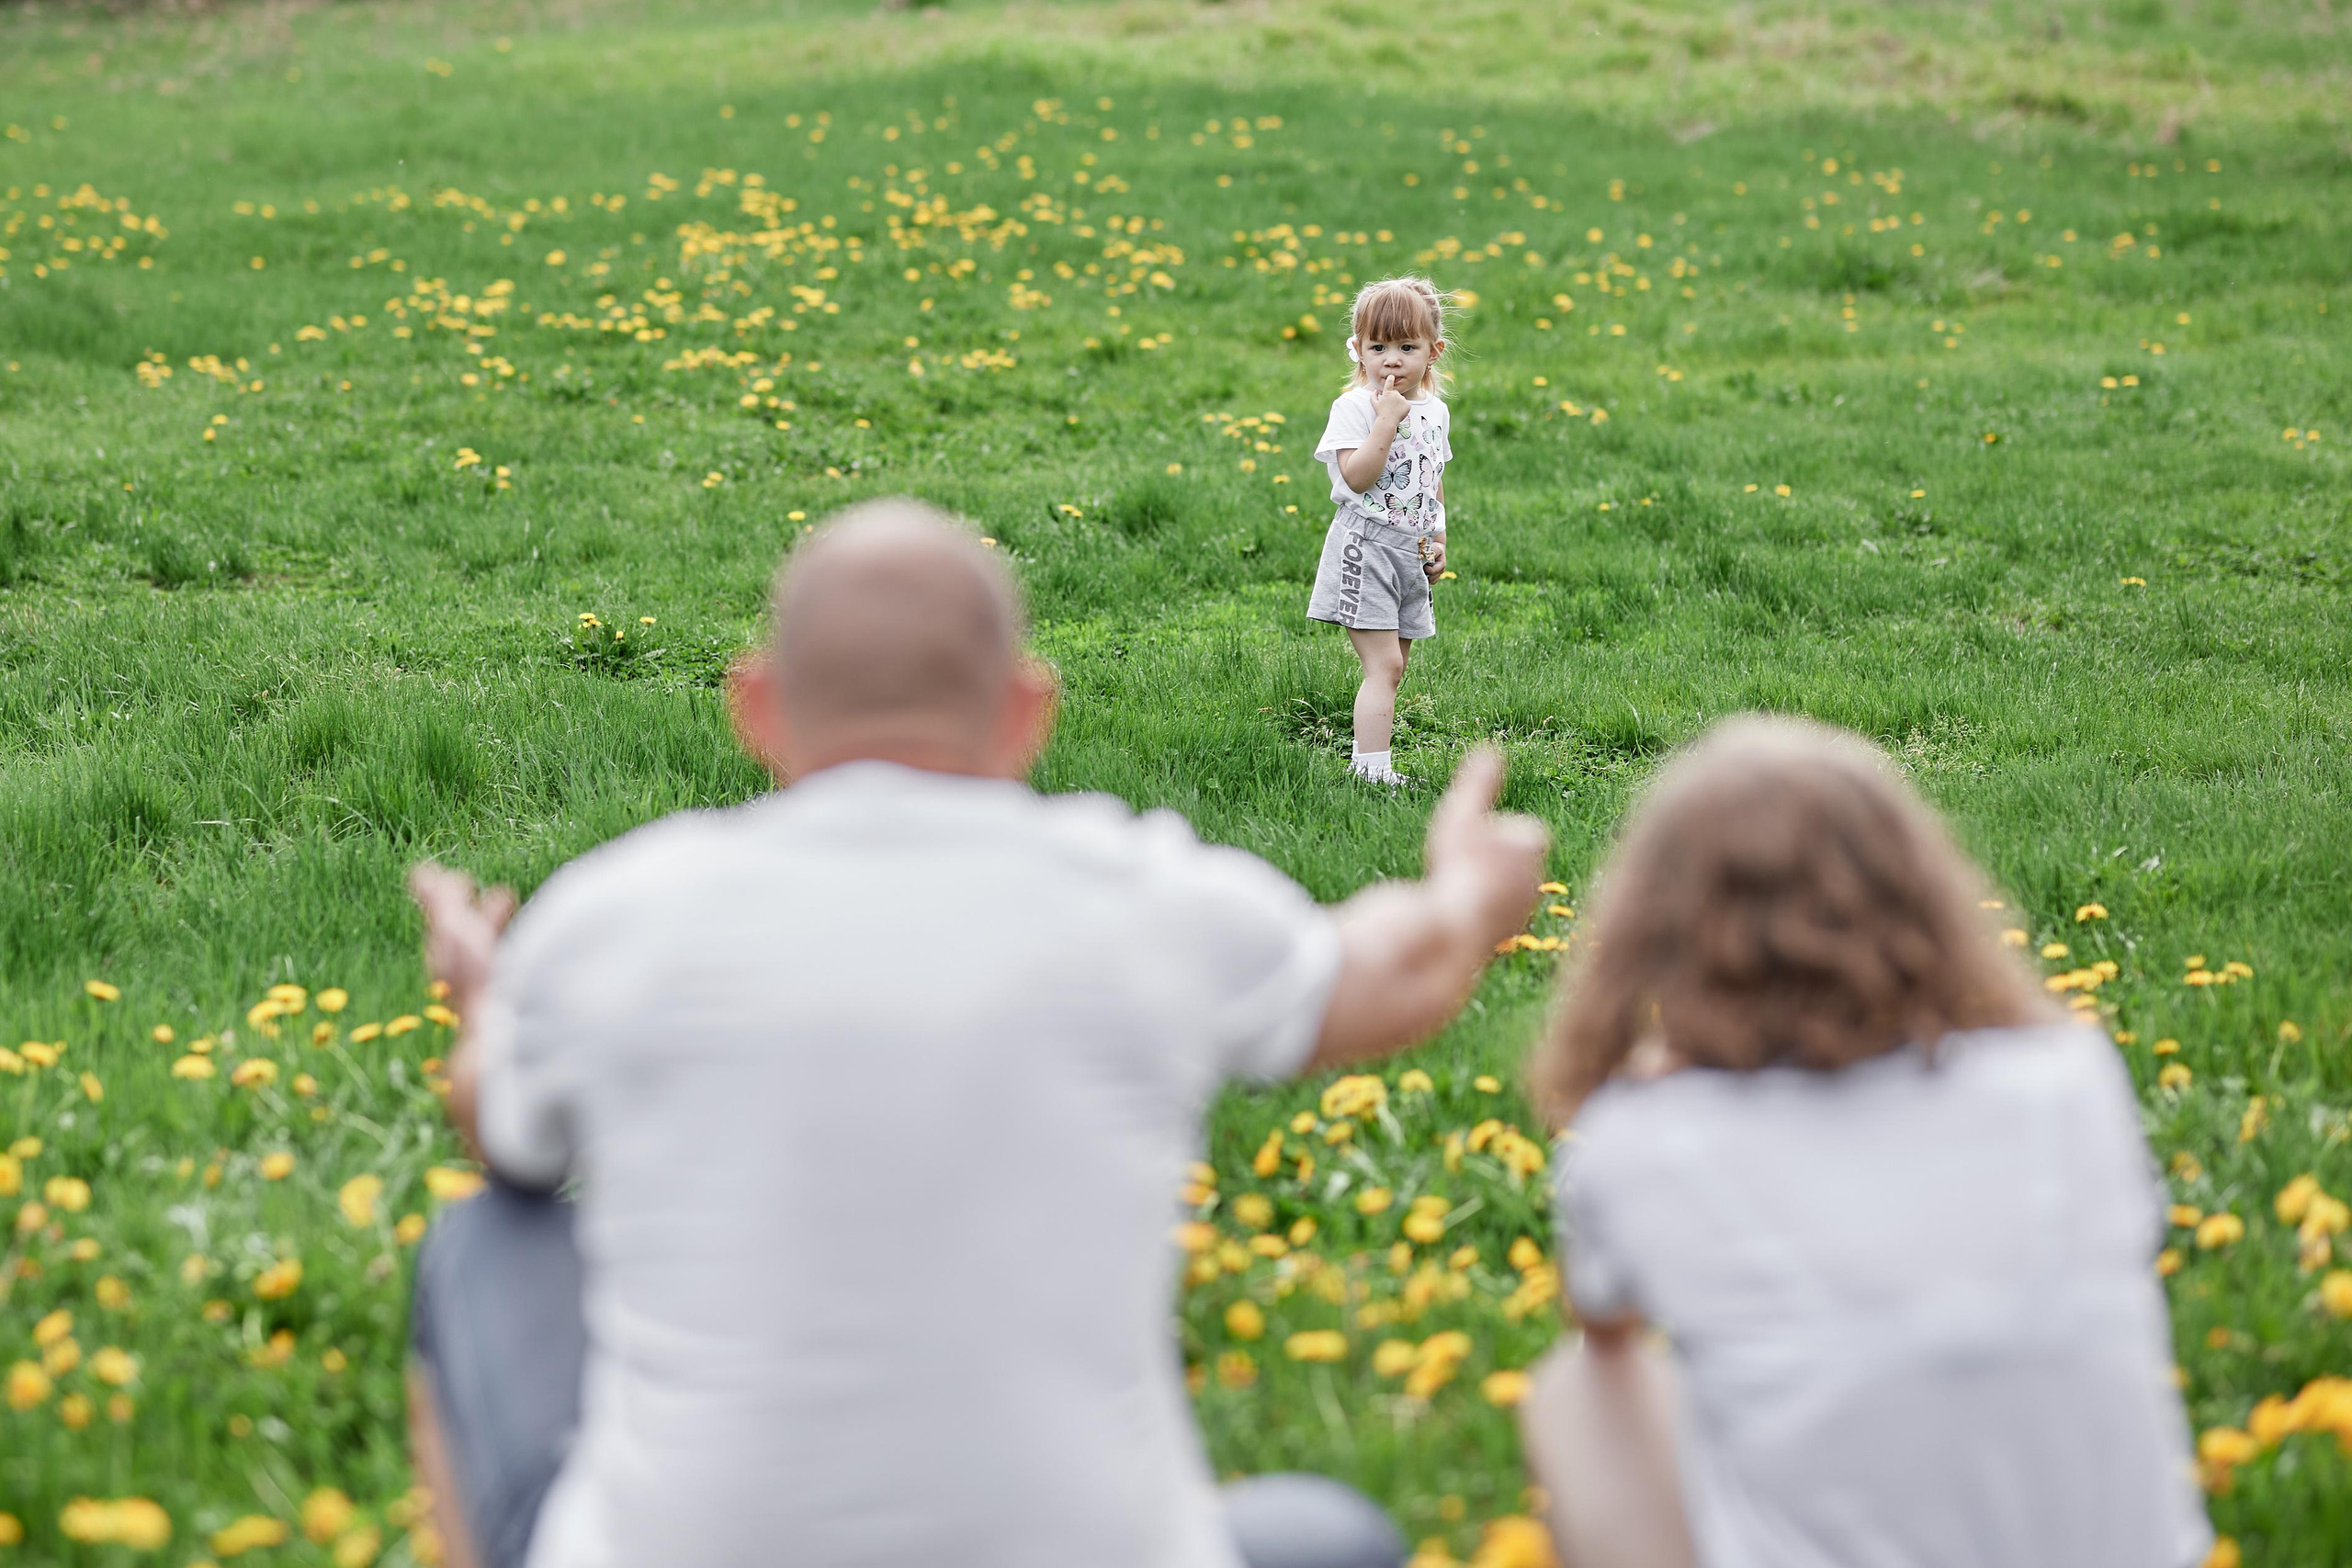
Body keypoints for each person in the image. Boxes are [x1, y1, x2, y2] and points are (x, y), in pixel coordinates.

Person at [405, 498, 1550, 1568]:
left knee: (486, 1239)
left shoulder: (617, 917)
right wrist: (1466, 895)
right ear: (1026, 712)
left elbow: (497, 1127)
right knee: (1324, 1538)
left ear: (755, 706)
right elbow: (1394, 972)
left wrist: (493, 1006)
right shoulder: (1135, 898)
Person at [1515, 715, 2212, 1568]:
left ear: (1655, 933)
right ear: (1922, 893)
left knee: (1576, 1388)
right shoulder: (2068, 1076)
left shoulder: (1644, 1143)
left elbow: (1602, 1318)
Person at [1304, 276, 1455, 787]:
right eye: (1378, 347)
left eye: (1407, 347)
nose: (1392, 359)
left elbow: (1431, 481)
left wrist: (1437, 540)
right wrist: (1385, 421)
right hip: (1364, 546)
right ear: (1359, 350)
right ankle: (1370, 772)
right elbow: (1356, 476)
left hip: (1408, 551)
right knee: (1384, 665)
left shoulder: (1436, 411)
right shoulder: (1356, 407)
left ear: (1433, 352)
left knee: (1396, 666)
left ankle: (1372, 760)